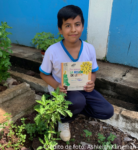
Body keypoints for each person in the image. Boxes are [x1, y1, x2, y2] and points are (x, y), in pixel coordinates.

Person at [39, 5, 114, 142]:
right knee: (77, 100)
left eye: (77, 24)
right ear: (60, 29)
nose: (73, 29)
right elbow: (44, 74)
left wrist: (92, 82)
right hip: (63, 90)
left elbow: (92, 72)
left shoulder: (89, 49)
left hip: (83, 88)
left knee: (107, 111)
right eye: (67, 25)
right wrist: (56, 85)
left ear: (83, 26)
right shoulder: (52, 51)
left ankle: (75, 108)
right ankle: (63, 118)